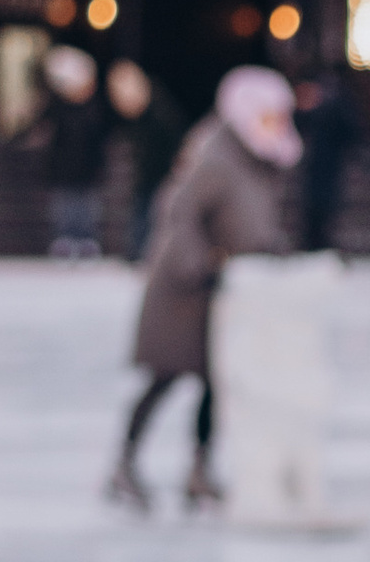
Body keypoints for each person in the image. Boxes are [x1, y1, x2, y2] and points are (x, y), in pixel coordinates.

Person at [105, 64, 299, 511]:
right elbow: (178, 212)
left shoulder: (255, 158)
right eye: (269, 115)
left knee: (215, 382)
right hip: (183, 294)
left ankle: (199, 471)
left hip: (222, 294)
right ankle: (124, 464)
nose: (276, 125)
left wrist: (272, 251)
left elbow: (251, 220)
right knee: (164, 378)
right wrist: (198, 265)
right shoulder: (216, 156)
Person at [26, 42, 107, 257]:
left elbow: (99, 136)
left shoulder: (93, 107)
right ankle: (64, 240)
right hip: (62, 168)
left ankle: (87, 240)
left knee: (86, 206)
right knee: (64, 205)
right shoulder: (57, 106)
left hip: (87, 168)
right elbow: (39, 125)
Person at [104, 55, 185, 261]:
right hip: (148, 173)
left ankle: (149, 253)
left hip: (162, 172)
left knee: (156, 213)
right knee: (143, 211)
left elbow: (171, 139)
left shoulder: (158, 110)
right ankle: (140, 252)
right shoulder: (143, 111)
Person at [293, 69, 370, 252]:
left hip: (329, 163)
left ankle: (319, 240)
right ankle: (314, 240)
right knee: (316, 204)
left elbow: (352, 131)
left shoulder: (337, 105)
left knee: (324, 203)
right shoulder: (320, 104)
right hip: (318, 164)